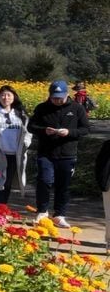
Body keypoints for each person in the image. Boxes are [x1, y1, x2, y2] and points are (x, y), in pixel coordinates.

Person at [28, 80, 91, 228]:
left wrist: (69, 132)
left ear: (67, 95)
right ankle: (42, 211)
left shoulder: (77, 108)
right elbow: (31, 126)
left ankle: (59, 215)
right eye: (54, 97)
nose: (57, 100)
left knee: (63, 185)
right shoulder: (42, 108)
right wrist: (44, 131)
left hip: (67, 153)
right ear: (49, 95)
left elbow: (85, 129)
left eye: (60, 97)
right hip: (46, 153)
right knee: (44, 180)